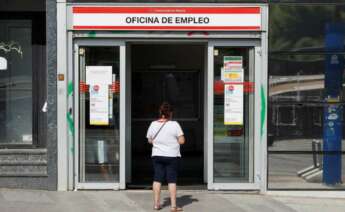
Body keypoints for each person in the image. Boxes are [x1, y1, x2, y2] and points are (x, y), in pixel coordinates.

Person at [146, 102, 185, 212]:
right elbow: (182, 141)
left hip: (157, 155)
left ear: (160, 112)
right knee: (171, 180)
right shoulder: (175, 124)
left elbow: (149, 140)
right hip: (172, 156)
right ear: (170, 113)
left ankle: (156, 205)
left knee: (157, 178)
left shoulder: (153, 124)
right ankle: (173, 206)